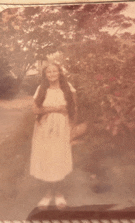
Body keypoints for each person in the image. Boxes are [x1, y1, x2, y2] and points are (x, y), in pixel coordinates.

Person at [30, 62, 76, 209]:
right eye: (48, 72)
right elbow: (35, 110)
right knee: (46, 159)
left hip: (62, 129)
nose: (51, 74)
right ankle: (48, 194)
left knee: (59, 159)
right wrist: (55, 108)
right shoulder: (41, 89)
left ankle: (59, 194)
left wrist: (72, 128)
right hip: (44, 129)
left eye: (54, 71)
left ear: (59, 73)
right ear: (45, 75)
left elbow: (73, 108)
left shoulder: (67, 88)